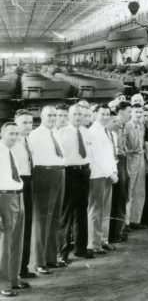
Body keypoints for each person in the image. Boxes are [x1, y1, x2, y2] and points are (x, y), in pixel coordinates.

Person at [27, 105, 65, 275]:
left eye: (54, 115)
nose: (52, 118)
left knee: (55, 217)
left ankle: (51, 257)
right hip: (43, 174)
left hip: (58, 173)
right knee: (42, 219)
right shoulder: (35, 135)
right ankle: (39, 261)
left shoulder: (56, 133)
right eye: (49, 115)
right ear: (41, 116)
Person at [54, 104, 92, 262]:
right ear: (69, 116)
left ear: (85, 116)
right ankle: (62, 253)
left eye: (81, 114)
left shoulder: (86, 132)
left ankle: (80, 249)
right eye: (75, 114)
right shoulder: (61, 133)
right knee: (66, 213)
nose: (78, 117)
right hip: (69, 173)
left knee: (82, 212)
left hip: (84, 172)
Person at [87, 105, 119, 255]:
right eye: (102, 114)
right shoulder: (93, 131)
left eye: (108, 114)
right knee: (96, 210)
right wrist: (110, 173)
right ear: (95, 114)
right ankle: (93, 243)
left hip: (107, 175)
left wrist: (114, 171)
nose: (106, 117)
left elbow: (110, 154)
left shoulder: (105, 130)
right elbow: (98, 156)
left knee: (105, 210)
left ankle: (102, 240)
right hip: (98, 175)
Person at [0, 122, 27, 297]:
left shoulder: (12, 151)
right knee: (4, 243)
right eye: (11, 133)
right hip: (3, 198)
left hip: (18, 196)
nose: (15, 137)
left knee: (17, 240)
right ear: (2, 133)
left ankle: (13, 278)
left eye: (17, 134)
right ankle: (3, 284)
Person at [12, 110, 35, 278]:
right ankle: (15, 270)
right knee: (18, 229)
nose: (28, 125)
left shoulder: (27, 140)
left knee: (27, 226)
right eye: (24, 122)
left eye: (30, 122)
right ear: (16, 122)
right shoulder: (12, 143)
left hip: (28, 181)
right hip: (17, 184)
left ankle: (23, 268)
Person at [109, 102, 131, 243]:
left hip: (123, 161)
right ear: (120, 112)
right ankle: (114, 233)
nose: (130, 114)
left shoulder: (123, 127)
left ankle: (119, 230)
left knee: (123, 197)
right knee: (118, 198)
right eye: (129, 111)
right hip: (116, 162)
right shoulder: (113, 127)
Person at [124, 105, 147, 230]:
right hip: (130, 158)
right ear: (131, 113)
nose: (139, 114)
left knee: (139, 190)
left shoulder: (142, 126)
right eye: (136, 112)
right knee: (129, 190)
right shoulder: (127, 126)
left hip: (140, 158)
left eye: (140, 112)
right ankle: (126, 222)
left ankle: (135, 220)